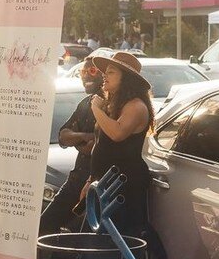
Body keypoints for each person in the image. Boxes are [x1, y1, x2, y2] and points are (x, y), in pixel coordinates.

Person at [83, 51, 155, 236]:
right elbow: (102, 145)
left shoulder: (136, 106)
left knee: (119, 241)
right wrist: (90, 180)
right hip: (104, 184)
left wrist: (96, 109)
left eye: (111, 72)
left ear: (127, 79)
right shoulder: (113, 105)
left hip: (123, 186)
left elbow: (117, 133)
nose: (104, 76)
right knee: (97, 241)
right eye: (105, 72)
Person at [39, 58, 104, 235]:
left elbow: (97, 146)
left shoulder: (112, 105)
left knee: (83, 236)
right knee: (44, 226)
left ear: (104, 73)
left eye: (91, 71)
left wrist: (87, 142)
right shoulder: (85, 104)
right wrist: (83, 136)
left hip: (99, 184)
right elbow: (63, 136)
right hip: (76, 180)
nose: (85, 76)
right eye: (82, 72)